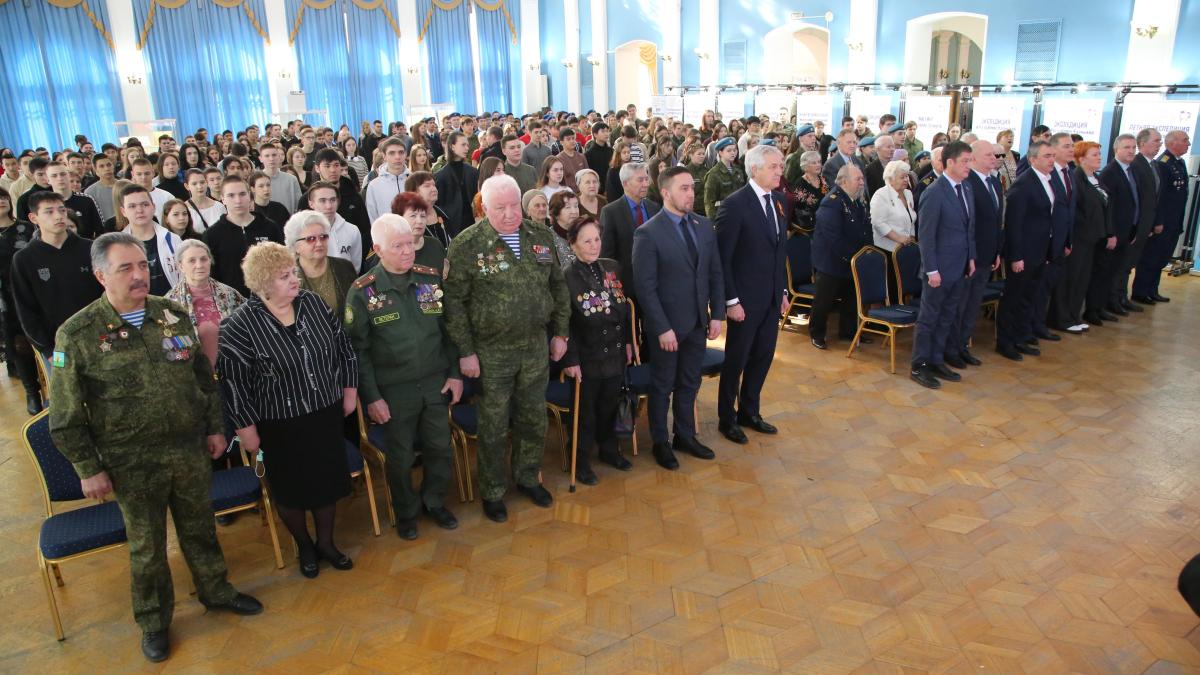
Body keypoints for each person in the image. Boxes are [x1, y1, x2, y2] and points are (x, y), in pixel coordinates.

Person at [51, 232, 263, 662]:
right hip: (131, 460)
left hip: (187, 448)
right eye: (124, 268)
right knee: (146, 548)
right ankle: (153, 620)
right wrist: (88, 467)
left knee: (200, 528)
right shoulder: (76, 333)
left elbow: (203, 378)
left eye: (142, 266)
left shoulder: (172, 314)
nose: (138, 275)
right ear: (101, 276)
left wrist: (214, 428)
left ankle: (216, 591)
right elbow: (64, 414)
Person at [217, 242, 358, 579]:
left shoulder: (312, 303)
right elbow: (234, 385)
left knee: (326, 482)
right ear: (263, 284)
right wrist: (246, 430)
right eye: (284, 276)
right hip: (277, 423)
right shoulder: (239, 325)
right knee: (290, 490)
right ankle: (305, 545)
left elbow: (344, 348)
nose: (295, 279)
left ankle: (327, 543)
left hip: (324, 411)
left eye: (293, 272)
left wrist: (349, 391)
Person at [443, 174, 570, 523]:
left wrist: (561, 333)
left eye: (515, 205)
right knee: (494, 424)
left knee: (533, 418)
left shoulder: (540, 235)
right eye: (500, 208)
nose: (511, 213)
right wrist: (465, 351)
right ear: (484, 208)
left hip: (535, 346)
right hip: (491, 351)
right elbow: (453, 304)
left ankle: (528, 477)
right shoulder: (467, 245)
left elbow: (558, 288)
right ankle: (493, 491)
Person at [344, 214, 461, 539]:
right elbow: (358, 352)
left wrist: (455, 373)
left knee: (440, 447)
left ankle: (434, 501)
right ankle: (406, 511)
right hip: (394, 391)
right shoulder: (363, 292)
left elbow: (449, 331)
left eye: (410, 243)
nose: (408, 250)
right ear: (378, 249)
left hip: (435, 382)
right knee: (400, 456)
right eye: (399, 246)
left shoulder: (429, 279)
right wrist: (372, 397)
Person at [632, 165, 724, 470]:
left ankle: (684, 435)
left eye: (692, 188)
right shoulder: (648, 233)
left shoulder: (703, 225)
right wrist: (661, 328)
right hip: (667, 327)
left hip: (697, 322)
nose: (691, 194)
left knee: (689, 381)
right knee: (662, 385)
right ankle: (660, 442)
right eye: (683, 188)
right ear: (665, 192)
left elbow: (714, 273)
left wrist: (717, 314)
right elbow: (645, 288)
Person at [714, 145, 787, 445]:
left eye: (781, 165)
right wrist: (731, 301)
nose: (780, 171)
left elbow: (779, 252)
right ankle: (726, 418)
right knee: (737, 360)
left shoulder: (778, 201)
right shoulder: (735, 204)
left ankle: (749, 411)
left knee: (762, 357)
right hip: (743, 300)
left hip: (771, 297)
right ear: (755, 169)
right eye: (774, 166)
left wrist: (783, 290)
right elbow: (723, 258)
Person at [559, 215, 633, 484]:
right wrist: (570, 359)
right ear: (573, 244)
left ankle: (609, 450)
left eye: (597, 239)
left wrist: (628, 342)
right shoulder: (566, 276)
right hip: (586, 357)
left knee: (609, 407)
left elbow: (624, 308)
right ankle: (580, 461)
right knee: (585, 414)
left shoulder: (612, 268)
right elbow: (564, 322)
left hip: (614, 351)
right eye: (587, 241)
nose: (594, 245)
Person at [909, 141, 976, 389]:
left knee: (948, 316)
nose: (969, 165)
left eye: (970, 160)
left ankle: (937, 359)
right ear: (950, 163)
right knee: (929, 318)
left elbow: (969, 229)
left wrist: (971, 258)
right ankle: (919, 365)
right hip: (938, 269)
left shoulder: (966, 187)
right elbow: (926, 235)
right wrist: (931, 270)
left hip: (959, 266)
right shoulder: (935, 192)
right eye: (965, 161)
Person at [996, 140, 1056, 361]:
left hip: (1039, 251)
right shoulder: (1023, 185)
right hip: (1023, 254)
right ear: (1033, 159)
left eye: (1052, 155)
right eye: (1047, 156)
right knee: (1013, 299)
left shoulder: (1047, 180)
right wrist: (1016, 256)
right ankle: (1005, 342)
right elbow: (1014, 224)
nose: (1052, 160)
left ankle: (1021, 337)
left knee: (1028, 297)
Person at [948, 141, 1004, 366]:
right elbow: (966, 224)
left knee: (972, 306)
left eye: (995, 155)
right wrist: (970, 255)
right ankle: (951, 349)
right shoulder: (967, 182)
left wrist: (997, 251)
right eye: (989, 154)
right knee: (959, 306)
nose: (994, 158)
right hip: (968, 257)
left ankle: (962, 346)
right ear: (974, 158)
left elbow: (997, 222)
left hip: (987, 256)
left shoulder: (994, 183)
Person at [809, 164, 872, 350]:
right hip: (831, 260)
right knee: (824, 300)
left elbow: (865, 229)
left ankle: (848, 331)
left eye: (862, 179)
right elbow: (833, 237)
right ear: (844, 181)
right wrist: (853, 256)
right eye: (858, 179)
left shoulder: (856, 200)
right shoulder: (832, 202)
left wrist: (864, 252)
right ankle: (817, 333)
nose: (862, 183)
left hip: (852, 259)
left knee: (851, 298)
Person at [1050, 140, 1111, 335]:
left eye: (1099, 154)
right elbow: (1076, 209)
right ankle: (1063, 318)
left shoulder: (1095, 178)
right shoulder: (1076, 177)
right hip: (1078, 237)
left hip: (1091, 238)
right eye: (1094, 154)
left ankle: (1074, 315)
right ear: (1082, 159)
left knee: (1082, 279)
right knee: (1070, 278)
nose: (1099, 158)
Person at [165, 238, 245, 367]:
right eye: (192, 260)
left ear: (210, 261)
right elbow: (172, 354)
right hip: (197, 376)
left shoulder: (230, 294)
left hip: (235, 372)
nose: (199, 265)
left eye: (203, 259)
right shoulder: (170, 304)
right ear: (180, 266)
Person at [1133, 130, 1190, 304]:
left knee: (1162, 258)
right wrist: (1159, 221)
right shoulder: (1163, 163)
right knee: (1151, 257)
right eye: (1185, 140)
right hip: (1163, 221)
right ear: (1173, 143)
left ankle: (1152, 289)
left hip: (1173, 221)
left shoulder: (1179, 162)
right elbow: (1160, 197)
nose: (1188, 144)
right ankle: (1141, 291)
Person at [1030, 133, 1077, 343]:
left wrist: (1067, 240)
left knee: (1048, 287)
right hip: (1044, 244)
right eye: (1066, 146)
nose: (1071, 149)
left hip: (1060, 243)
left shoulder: (1070, 173)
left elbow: (1068, 211)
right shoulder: (1046, 175)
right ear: (1054, 149)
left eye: (1072, 146)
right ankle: (1033, 326)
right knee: (1038, 289)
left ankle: (1039, 324)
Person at [204, 176, 285, 296]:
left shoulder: (270, 227)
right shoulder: (212, 234)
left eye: (242, 194)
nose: (238, 200)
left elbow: (282, 263)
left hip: (269, 297)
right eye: (231, 195)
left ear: (249, 196)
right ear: (223, 199)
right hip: (231, 300)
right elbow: (211, 275)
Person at [0, 188, 42, 412]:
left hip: (32, 291)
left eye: (3, 197)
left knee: (44, 340)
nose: (1, 201)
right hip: (5, 300)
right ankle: (31, 391)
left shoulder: (26, 228)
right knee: (19, 345)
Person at [1115, 128, 1162, 315]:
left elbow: (1153, 198)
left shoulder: (1153, 165)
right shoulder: (1136, 165)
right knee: (1123, 264)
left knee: (1129, 264)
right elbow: (1137, 199)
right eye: (1156, 141)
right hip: (1134, 224)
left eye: (1132, 147)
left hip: (1143, 224)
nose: (1159, 145)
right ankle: (1117, 298)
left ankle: (1122, 297)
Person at [600, 162, 660, 304]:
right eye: (640, 180)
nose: (646, 184)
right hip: (627, 287)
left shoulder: (654, 208)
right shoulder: (610, 212)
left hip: (655, 283)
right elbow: (607, 256)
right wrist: (615, 288)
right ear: (625, 183)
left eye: (646, 179)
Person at [285, 209, 358, 318]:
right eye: (311, 239)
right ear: (295, 246)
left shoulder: (344, 267)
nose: (319, 243)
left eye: (323, 237)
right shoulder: (286, 277)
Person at [118, 184, 183, 296]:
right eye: (132, 206)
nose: (139, 210)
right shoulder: (118, 246)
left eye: (145, 204)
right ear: (123, 211)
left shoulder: (173, 240)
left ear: (153, 207)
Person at [303, 181, 363, 271]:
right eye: (322, 201)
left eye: (333, 200)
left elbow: (355, 266)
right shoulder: (301, 232)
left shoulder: (352, 230)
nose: (329, 206)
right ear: (311, 204)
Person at [433, 132, 479, 237]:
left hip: (473, 224)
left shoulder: (473, 172)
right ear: (452, 146)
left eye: (467, 145)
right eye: (463, 145)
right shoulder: (440, 176)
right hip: (452, 227)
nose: (467, 148)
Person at [47, 160, 104, 238]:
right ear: (48, 180)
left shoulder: (86, 200)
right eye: (54, 176)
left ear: (68, 176)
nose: (59, 178)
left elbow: (100, 230)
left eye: (63, 174)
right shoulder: (45, 205)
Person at [870, 160, 917, 252]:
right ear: (890, 179)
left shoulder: (908, 193)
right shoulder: (881, 195)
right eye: (902, 177)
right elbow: (877, 223)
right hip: (888, 249)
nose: (906, 179)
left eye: (907, 176)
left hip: (907, 247)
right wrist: (899, 238)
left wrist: (912, 236)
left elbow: (911, 220)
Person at [392, 191, 446, 270]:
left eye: (423, 216)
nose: (419, 221)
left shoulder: (436, 245)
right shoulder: (389, 252)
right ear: (399, 219)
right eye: (413, 215)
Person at [366, 137, 410, 224]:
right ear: (384, 156)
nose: (397, 157)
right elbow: (373, 217)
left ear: (405, 154)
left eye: (401, 152)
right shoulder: (374, 185)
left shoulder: (414, 180)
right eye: (392, 153)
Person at [406, 171, 453, 247]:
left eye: (434, 185)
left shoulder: (444, 215)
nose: (434, 189)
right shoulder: (408, 222)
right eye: (427, 186)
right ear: (414, 192)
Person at [703, 138, 746, 218]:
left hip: (740, 214)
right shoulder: (713, 174)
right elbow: (709, 203)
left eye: (734, 150)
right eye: (729, 150)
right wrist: (714, 222)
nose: (733, 153)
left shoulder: (738, 170)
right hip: (723, 215)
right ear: (720, 152)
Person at [788, 150, 828, 233]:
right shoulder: (799, 185)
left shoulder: (822, 179)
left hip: (824, 217)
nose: (818, 165)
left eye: (819, 162)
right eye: (814, 163)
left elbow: (828, 198)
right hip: (809, 222)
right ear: (805, 166)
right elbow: (813, 206)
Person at [260, 143, 301, 218]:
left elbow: (299, 205)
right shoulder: (255, 180)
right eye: (267, 156)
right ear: (260, 159)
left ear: (279, 157)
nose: (271, 159)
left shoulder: (291, 179)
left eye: (274, 155)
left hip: (288, 221)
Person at [548, 190, 580, 268]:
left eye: (576, 206)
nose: (574, 211)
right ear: (556, 213)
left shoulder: (583, 232)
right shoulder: (548, 236)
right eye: (568, 207)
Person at [84, 152, 118, 222]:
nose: (107, 169)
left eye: (109, 165)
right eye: (101, 166)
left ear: (113, 166)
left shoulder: (126, 185)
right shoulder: (90, 192)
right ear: (95, 170)